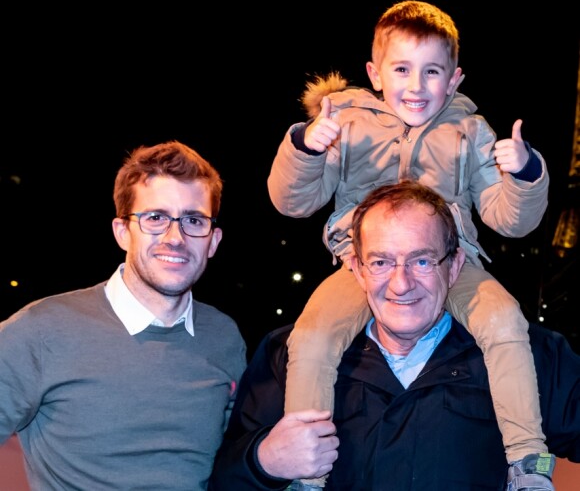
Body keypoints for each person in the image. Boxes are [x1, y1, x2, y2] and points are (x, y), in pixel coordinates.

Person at [267, 0, 552, 489]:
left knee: (505, 320)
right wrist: (306, 147)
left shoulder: (470, 131)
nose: (416, 87)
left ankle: (528, 464)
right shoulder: (347, 125)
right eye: (402, 69)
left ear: (455, 78)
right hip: (364, 266)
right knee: (312, 338)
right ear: (375, 73)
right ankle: (307, 473)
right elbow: (294, 202)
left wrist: (525, 174)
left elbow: (507, 220)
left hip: (451, 263)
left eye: (432, 71)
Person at [209, 181, 579, 491]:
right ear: (356, 268)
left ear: (454, 267)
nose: (401, 284)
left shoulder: (529, 354)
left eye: (421, 261)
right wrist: (263, 461)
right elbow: (225, 478)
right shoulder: (286, 355)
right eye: (382, 262)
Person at [0, 140, 247, 490]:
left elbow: (232, 460)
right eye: (156, 218)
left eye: (193, 220)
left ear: (213, 240)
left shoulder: (223, 337)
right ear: (122, 232)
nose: (175, 237)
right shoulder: (41, 330)